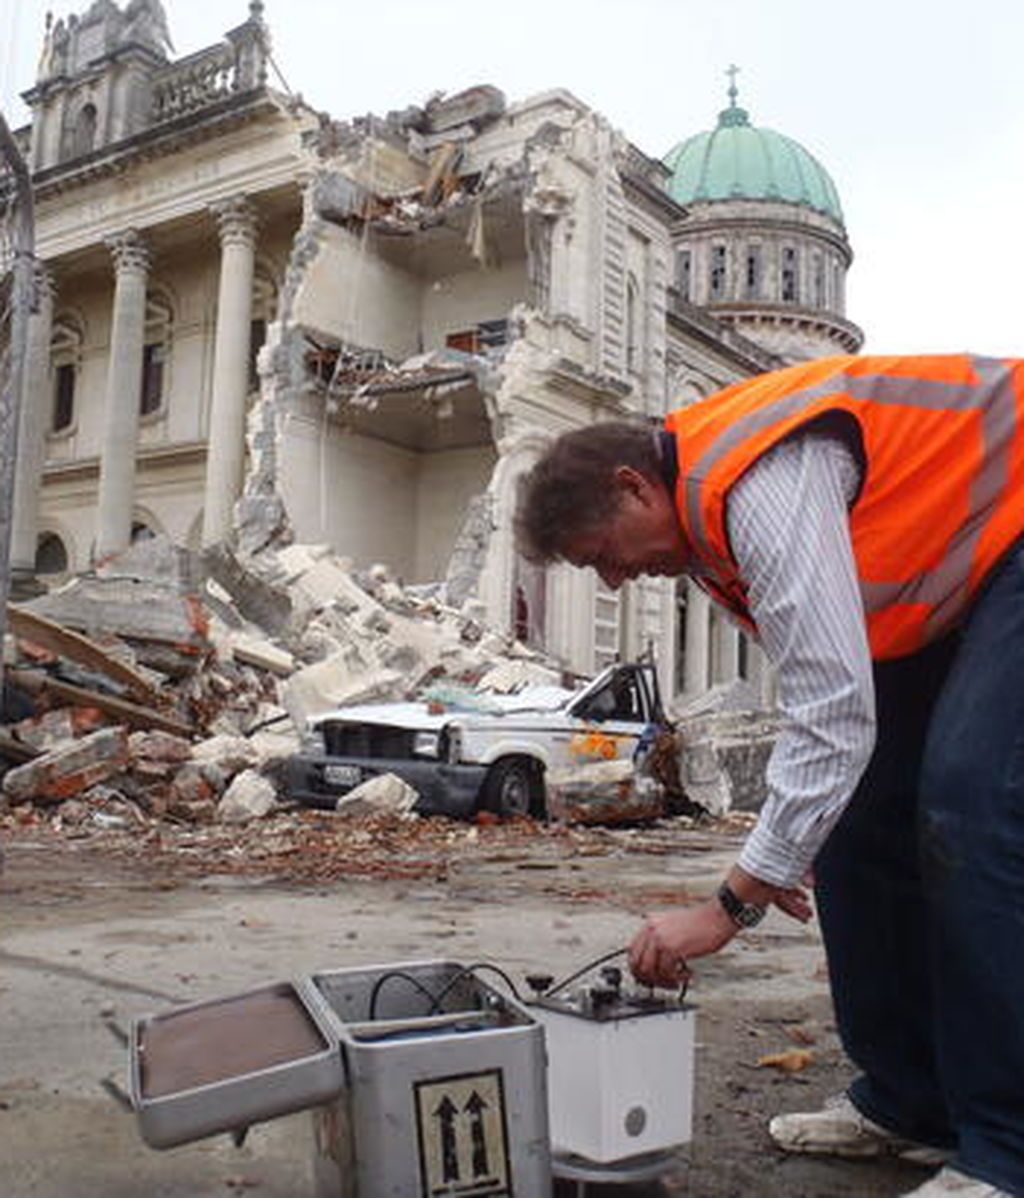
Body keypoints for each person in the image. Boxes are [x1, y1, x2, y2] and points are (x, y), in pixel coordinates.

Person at [514, 353, 1024, 1198]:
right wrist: (798, 841)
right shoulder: (706, 534)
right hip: (968, 570)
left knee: (970, 809)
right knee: (859, 821)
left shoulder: (759, 481)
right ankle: (908, 1103)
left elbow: (830, 712)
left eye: (602, 551)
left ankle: (1008, 1146)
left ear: (634, 486)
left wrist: (732, 903)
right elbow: (829, 719)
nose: (611, 577)